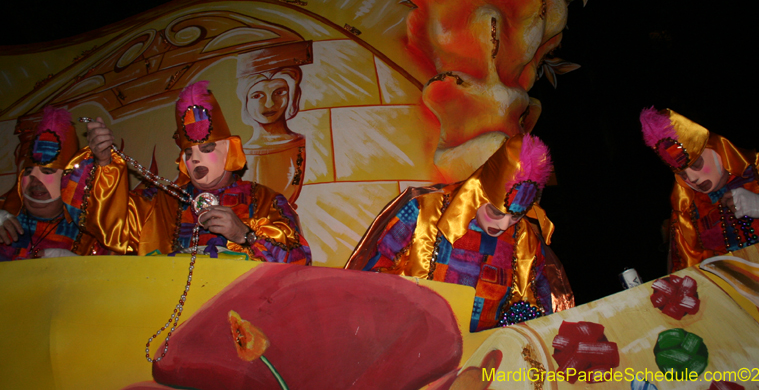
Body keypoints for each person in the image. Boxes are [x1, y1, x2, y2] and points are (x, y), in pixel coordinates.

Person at [346, 134, 574, 332]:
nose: (504, 225)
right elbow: (375, 270)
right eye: (495, 213)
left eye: (514, 217)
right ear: (479, 193)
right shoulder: (424, 211)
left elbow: (538, 302)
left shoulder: (524, 238)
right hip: (411, 342)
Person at [71, 80, 312, 264]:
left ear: (230, 151)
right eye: (188, 153)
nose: (195, 158)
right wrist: (104, 162)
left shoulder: (265, 202)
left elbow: (299, 261)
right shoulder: (159, 202)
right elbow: (110, 226)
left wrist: (244, 235)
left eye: (207, 149)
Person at [640, 107, 759, 271]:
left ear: (717, 147)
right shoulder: (688, 210)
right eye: (683, 175)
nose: (693, 178)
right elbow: (684, 272)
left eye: (696, 164)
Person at [0, 106, 109, 260]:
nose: (34, 180)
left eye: (48, 172)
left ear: (67, 182)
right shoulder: (5, 219)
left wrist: (79, 270)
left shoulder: (90, 236)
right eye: (29, 171)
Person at [236, 63, 305, 203]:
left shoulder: (299, 143)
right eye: (257, 95)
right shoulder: (240, 152)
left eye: (279, 92)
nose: (269, 104)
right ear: (246, 101)